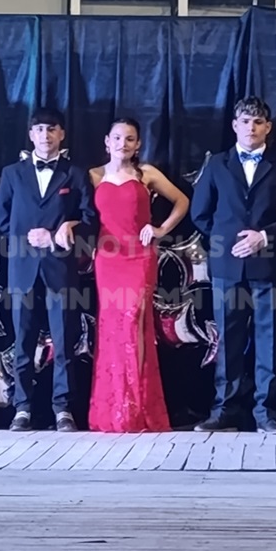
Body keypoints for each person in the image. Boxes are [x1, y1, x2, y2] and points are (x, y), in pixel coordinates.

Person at [189, 96, 276, 434]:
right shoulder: (217, 164)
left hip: (269, 265)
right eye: (245, 121)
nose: (251, 128)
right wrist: (230, 242)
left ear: (268, 127)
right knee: (227, 340)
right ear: (234, 125)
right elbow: (200, 214)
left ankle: (265, 413)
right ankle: (225, 410)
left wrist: (265, 236)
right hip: (228, 266)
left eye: (257, 122)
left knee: (269, 340)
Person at [0, 107, 96, 432]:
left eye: (51, 129)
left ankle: (62, 409)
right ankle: (22, 408)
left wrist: (57, 234)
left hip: (60, 267)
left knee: (64, 342)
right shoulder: (12, 173)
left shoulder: (75, 174)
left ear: (61, 134)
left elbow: (90, 220)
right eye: (39, 129)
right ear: (30, 134)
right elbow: (1, 219)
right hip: (23, 267)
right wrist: (28, 237)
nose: (45, 135)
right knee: (23, 341)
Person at [88, 118, 188, 432]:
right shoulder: (93, 176)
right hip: (108, 260)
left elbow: (182, 201)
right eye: (117, 138)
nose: (123, 144)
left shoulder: (147, 174)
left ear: (138, 144)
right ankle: (115, 408)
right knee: (113, 329)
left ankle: (136, 406)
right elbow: (81, 214)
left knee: (134, 324)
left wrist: (160, 229)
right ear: (107, 141)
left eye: (130, 139)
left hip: (139, 258)